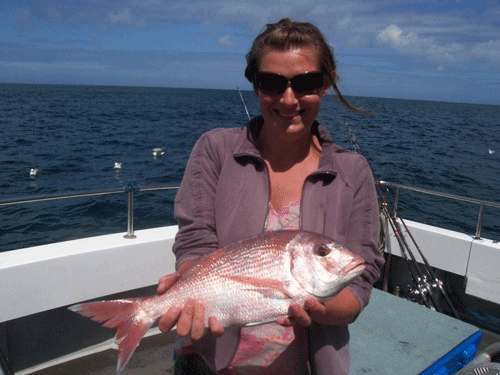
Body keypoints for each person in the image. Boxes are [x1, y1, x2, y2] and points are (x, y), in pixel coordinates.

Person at [157, 18, 384, 375]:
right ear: (254, 83)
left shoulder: (353, 172)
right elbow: (196, 241)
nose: (289, 99)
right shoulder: (215, 150)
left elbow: (359, 284)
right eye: (272, 83)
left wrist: (318, 308)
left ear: (327, 83)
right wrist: (189, 285)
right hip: (206, 360)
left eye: (306, 83)